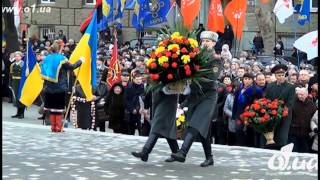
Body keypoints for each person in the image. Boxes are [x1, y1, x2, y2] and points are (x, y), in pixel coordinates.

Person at [171, 31, 222, 167]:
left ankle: (183, 152)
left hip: (208, 96)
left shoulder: (215, 59)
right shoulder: (194, 57)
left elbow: (212, 78)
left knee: (196, 123)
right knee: (204, 127)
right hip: (195, 95)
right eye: (203, 41)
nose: (205, 43)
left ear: (214, 43)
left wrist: (192, 74)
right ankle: (209, 157)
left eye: (208, 41)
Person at [40, 40, 84, 132]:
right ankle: (58, 127)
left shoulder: (47, 58)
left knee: (52, 109)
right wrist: (80, 61)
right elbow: (71, 67)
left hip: (49, 87)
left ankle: (53, 127)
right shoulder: (62, 59)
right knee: (58, 109)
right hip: (59, 87)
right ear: (60, 48)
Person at [131, 84, 182, 162]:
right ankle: (176, 152)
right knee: (167, 127)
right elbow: (149, 88)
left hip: (169, 98)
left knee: (156, 126)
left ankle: (145, 151)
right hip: (158, 98)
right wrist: (146, 106)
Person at [260, 64, 295, 149]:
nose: (281, 77)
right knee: (269, 138)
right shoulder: (270, 86)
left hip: (284, 117)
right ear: (275, 76)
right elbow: (266, 99)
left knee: (281, 139)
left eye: (282, 75)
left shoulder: (290, 87)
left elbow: (289, 103)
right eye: (278, 75)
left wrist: (280, 112)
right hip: (271, 115)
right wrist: (268, 111)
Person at [288, 87, 317, 153]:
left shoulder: (312, 105)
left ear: (306, 95)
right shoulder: (292, 103)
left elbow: (314, 119)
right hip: (293, 132)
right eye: (299, 94)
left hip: (306, 134)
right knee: (293, 151)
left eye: (302, 94)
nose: (300, 96)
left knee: (304, 152)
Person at [10, 51, 25, 119]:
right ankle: (18, 113)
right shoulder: (13, 65)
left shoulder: (24, 64)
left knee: (21, 97)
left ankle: (22, 113)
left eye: (18, 56)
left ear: (21, 57)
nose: (16, 57)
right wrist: (10, 83)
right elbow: (11, 75)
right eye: (15, 56)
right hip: (15, 82)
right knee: (16, 97)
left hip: (21, 82)